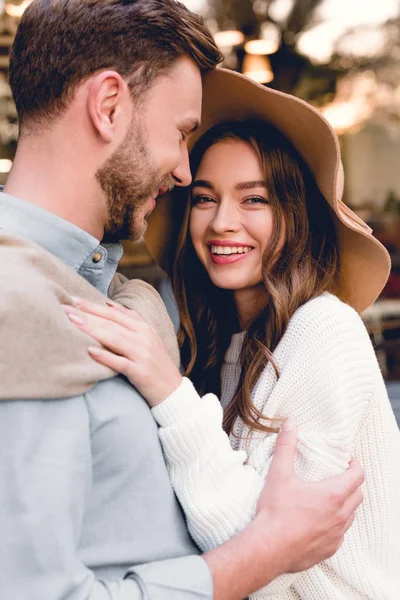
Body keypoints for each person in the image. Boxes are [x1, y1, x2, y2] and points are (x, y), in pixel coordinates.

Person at [0, 1, 364, 598]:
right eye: (182, 134)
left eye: (256, 199)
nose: (181, 172)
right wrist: (264, 553)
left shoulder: (120, 300)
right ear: (109, 106)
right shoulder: (18, 304)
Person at [68, 68, 400, 598]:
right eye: (204, 197)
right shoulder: (221, 341)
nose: (222, 221)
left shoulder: (325, 329)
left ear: (295, 214)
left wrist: (166, 389)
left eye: (254, 199)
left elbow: (269, 559)